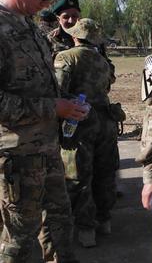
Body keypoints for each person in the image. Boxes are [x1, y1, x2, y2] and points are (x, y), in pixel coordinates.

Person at [0, 0, 88, 262]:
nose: (47, 4)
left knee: (61, 223)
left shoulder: (30, 26)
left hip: (47, 149)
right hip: (17, 158)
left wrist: (63, 103)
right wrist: (52, 108)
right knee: (19, 240)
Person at [53, 18, 120, 247]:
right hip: (106, 122)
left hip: (80, 123)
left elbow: (59, 90)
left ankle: (86, 229)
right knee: (105, 172)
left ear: (74, 36)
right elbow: (107, 85)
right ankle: (105, 220)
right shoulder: (103, 61)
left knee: (79, 176)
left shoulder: (65, 58)